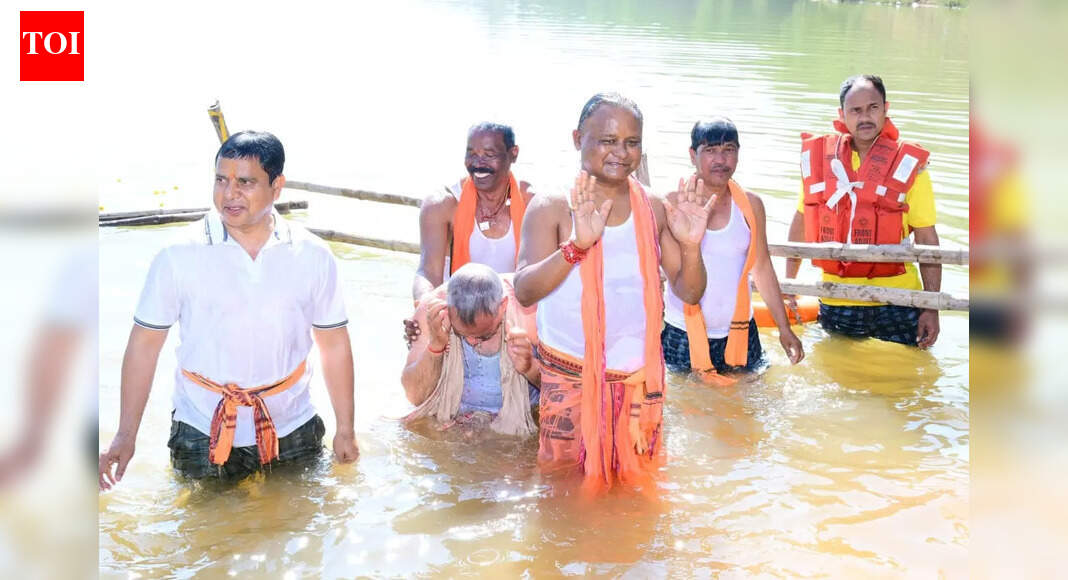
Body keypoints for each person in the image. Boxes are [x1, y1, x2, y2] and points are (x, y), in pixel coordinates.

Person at [98, 131, 359, 489]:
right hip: (201, 430)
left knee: (297, 534)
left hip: (293, 427)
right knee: (205, 539)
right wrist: (124, 436)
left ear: (277, 186)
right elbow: (144, 346)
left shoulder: (312, 254)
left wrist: (346, 429)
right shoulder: (177, 255)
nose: (229, 194)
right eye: (221, 180)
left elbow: (334, 344)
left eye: (245, 182)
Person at [514, 92, 714, 493]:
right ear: (577, 139)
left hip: (638, 384)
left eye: (631, 142)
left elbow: (690, 292)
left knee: (637, 494)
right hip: (569, 379)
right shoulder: (553, 206)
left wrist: (691, 246)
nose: (620, 153)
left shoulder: (654, 207)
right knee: (562, 495)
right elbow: (524, 290)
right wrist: (576, 246)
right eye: (607, 140)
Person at [785, 75, 942, 348]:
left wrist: (931, 307)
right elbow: (800, 221)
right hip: (837, 297)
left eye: (873, 107)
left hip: (898, 301)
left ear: (886, 108)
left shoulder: (911, 168)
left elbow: (927, 239)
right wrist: (789, 284)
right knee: (838, 384)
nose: (865, 117)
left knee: (899, 385)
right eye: (855, 110)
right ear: (842, 115)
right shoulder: (821, 164)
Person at [661, 118, 804, 384]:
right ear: (693, 155)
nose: (721, 159)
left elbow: (761, 267)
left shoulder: (750, 205)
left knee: (747, 411)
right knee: (689, 412)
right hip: (683, 332)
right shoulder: (671, 205)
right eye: (711, 150)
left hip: (740, 331)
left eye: (729, 150)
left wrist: (784, 329)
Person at [401, 263, 538, 436]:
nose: (473, 342)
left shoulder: (527, 309)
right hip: (453, 417)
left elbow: (567, 386)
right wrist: (436, 346)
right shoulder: (434, 310)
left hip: (520, 419)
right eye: (462, 335)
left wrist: (530, 367)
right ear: (448, 307)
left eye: (484, 335)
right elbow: (415, 396)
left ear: (503, 306)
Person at [411, 122, 535, 303]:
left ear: (513, 154)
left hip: (514, 316)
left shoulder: (532, 204)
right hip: (456, 312)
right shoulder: (442, 204)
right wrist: (425, 304)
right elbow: (428, 272)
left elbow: (542, 282)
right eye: (471, 154)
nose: (478, 164)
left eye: (489, 154)